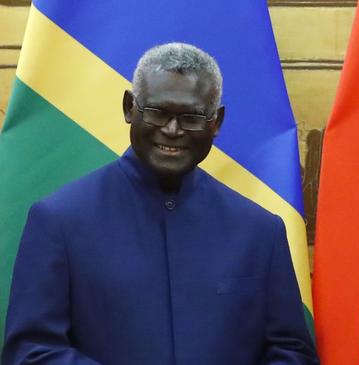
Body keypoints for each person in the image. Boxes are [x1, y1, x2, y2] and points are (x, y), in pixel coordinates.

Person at [3, 43, 318, 365]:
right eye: (158, 113)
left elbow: (292, 353)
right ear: (129, 108)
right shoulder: (59, 220)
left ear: (216, 121)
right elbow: (30, 352)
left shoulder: (260, 231)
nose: (172, 130)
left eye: (191, 117)